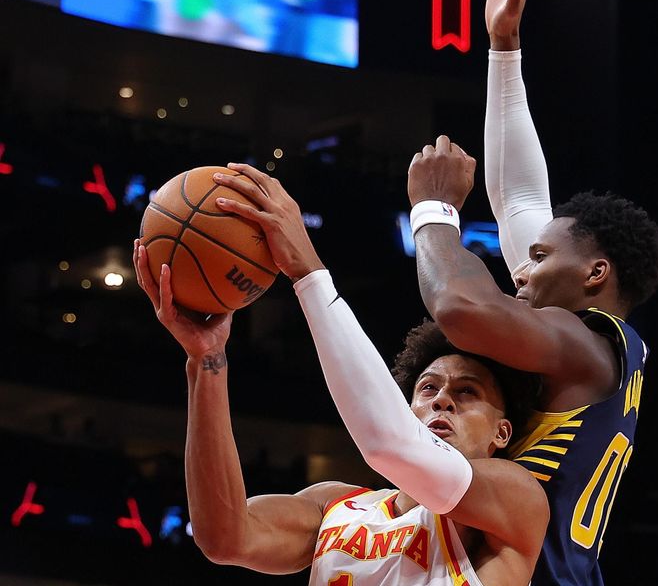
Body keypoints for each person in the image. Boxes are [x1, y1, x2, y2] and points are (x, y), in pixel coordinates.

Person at [132, 163, 548, 585]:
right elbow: (224, 538)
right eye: (428, 388)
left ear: (503, 432)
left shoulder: (515, 501)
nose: (442, 400)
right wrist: (206, 361)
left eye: (468, 392)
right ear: (405, 409)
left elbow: (394, 446)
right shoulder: (335, 508)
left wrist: (308, 272)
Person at [404, 0, 658, 584]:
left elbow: (459, 307)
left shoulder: (589, 343)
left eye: (540, 257)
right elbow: (520, 200)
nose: (519, 267)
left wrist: (435, 212)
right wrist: (504, 47)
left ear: (594, 274)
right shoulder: (596, 341)